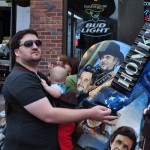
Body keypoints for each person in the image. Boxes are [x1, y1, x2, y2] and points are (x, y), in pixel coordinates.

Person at [2, 29, 117, 150]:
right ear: (17, 52)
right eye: (28, 44)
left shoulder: (40, 76)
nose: (35, 46)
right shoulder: (20, 79)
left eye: (37, 43)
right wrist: (91, 113)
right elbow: (48, 114)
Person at [41, 66, 75, 150]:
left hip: (65, 119)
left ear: (49, 79)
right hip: (68, 116)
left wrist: (46, 86)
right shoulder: (62, 86)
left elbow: (57, 94)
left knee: (63, 136)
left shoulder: (54, 87)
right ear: (65, 81)